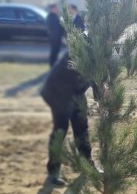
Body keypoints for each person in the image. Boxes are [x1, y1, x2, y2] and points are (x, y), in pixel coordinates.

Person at [40, 52, 99, 185]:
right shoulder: (80, 47)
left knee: (82, 129)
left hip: (76, 91)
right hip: (58, 91)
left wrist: (100, 97)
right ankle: (53, 171)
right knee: (60, 130)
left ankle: (87, 165)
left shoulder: (102, 48)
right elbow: (82, 74)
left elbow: (99, 76)